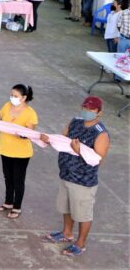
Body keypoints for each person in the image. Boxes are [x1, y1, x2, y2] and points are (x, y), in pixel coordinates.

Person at [42, 96, 110, 257]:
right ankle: (67, 233)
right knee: (66, 207)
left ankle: (80, 243)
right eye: (85, 108)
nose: (87, 112)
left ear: (99, 113)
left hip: (83, 181)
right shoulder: (75, 121)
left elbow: (97, 160)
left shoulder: (101, 134)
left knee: (83, 213)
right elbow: (62, 140)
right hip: (66, 174)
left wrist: (80, 151)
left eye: (91, 110)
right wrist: (49, 140)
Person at [0, 84, 37, 220]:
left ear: (24, 98)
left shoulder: (30, 113)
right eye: (11, 95)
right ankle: (8, 202)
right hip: (5, 148)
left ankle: (17, 207)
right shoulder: (6, 106)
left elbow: (30, 132)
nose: (12, 98)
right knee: (8, 177)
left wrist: (21, 134)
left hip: (21, 153)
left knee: (18, 179)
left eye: (15, 96)